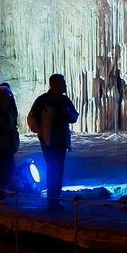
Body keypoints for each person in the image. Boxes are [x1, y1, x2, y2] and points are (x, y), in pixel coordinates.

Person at [27, 74, 79, 212]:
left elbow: (75, 116)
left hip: (61, 141)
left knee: (58, 169)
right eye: (63, 83)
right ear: (55, 85)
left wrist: (68, 114)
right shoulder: (43, 101)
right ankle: (52, 200)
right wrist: (40, 133)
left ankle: (55, 199)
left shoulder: (64, 100)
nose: (65, 86)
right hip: (48, 142)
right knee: (52, 169)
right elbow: (32, 118)